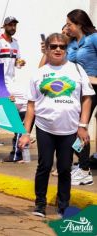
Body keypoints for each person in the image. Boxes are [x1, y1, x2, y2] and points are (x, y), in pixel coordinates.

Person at [19, 33, 94, 218]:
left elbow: (87, 98)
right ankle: (40, 205)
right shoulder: (38, 73)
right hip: (45, 128)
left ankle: (63, 207)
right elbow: (31, 105)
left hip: (69, 129)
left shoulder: (77, 70)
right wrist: (25, 133)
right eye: (53, 46)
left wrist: (82, 125)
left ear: (67, 48)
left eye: (62, 46)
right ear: (47, 48)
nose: (58, 49)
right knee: (44, 166)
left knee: (64, 168)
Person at [66, 9, 97, 186]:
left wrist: (94, 78)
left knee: (80, 127)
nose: (67, 28)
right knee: (72, 128)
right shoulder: (70, 43)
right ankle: (82, 165)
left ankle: (85, 170)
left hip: (92, 90)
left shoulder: (93, 39)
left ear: (79, 24)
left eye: (70, 24)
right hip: (75, 90)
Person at [0, 16, 26, 162]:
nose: (13, 27)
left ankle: (17, 147)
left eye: (14, 25)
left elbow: (17, 62)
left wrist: (20, 63)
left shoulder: (16, 43)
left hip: (12, 81)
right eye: (10, 25)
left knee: (24, 104)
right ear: (4, 26)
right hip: (1, 82)